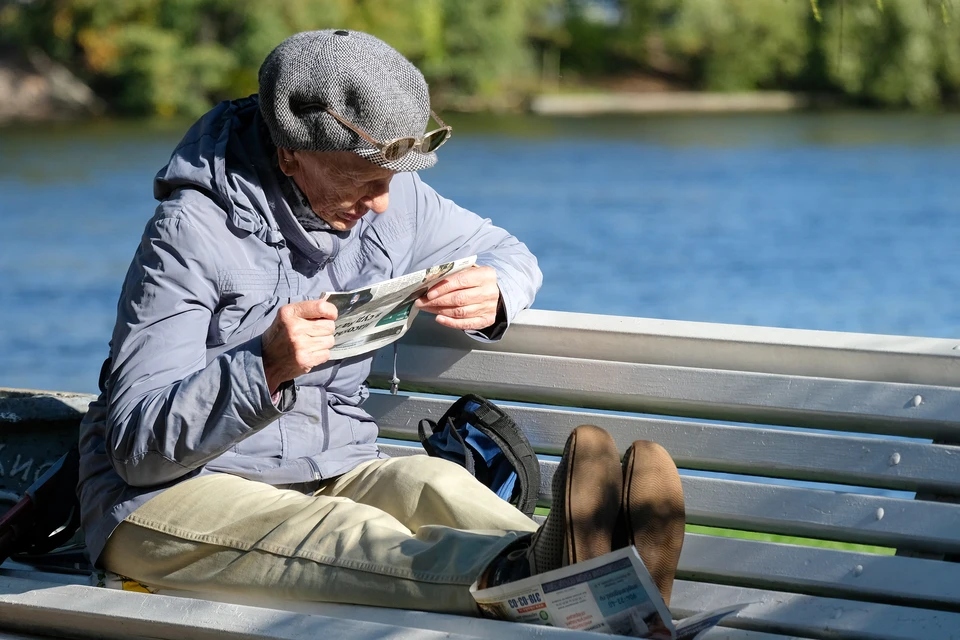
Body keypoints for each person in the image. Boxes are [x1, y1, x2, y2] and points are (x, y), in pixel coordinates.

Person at [76, 29, 686, 615]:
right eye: (365, 179)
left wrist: (498, 289)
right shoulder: (189, 234)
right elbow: (135, 449)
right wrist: (263, 366)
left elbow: (508, 250)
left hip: (330, 467)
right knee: (347, 531)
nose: (384, 201)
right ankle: (538, 577)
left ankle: (591, 564)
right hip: (165, 502)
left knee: (427, 485)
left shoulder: (391, 199)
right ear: (291, 154)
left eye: (392, 178)